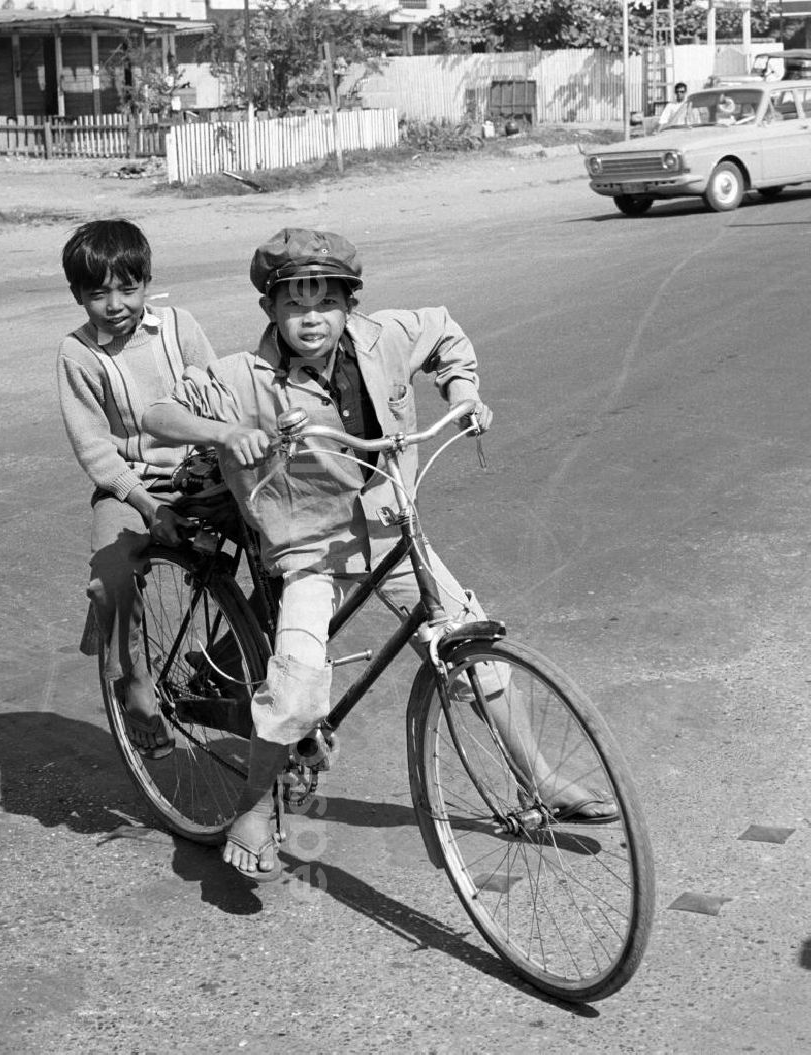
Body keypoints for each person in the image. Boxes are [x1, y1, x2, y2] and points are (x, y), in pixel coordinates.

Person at [146, 228, 617, 882]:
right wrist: (228, 431)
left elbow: (446, 333)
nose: (311, 318)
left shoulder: (383, 336)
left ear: (349, 303)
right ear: (271, 311)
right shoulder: (245, 377)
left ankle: (537, 776)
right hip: (310, 548)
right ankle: (254, 806)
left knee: (467, 632)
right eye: (293, 304)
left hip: (392, 528)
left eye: (326, 302)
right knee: (301, 675)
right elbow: (159, 413)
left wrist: (462, 393)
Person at [56, 219, 215, 758]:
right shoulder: (78, 355)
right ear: (77, 294)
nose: (115, 304)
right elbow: (96, 449)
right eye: (98, 292)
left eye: (128, 287)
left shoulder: (180, 326)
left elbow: (218, 396)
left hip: (201, 473)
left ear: (147, 282)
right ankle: (133, 684)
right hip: (129, 487)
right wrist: (147, 506)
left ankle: (225, 660)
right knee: (111, 577)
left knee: (276, 550)